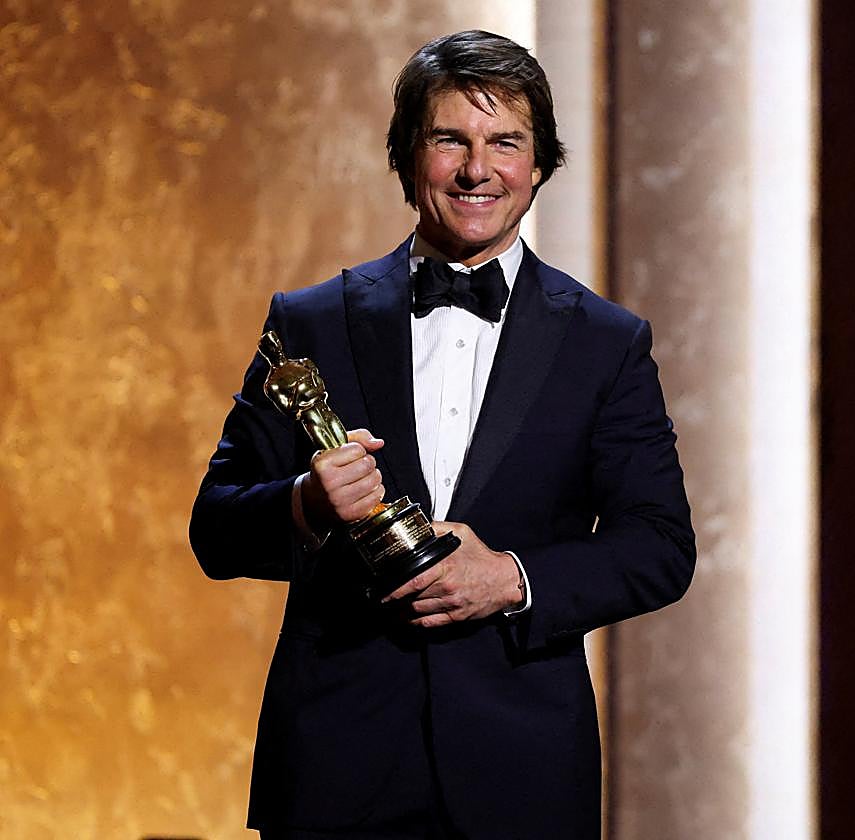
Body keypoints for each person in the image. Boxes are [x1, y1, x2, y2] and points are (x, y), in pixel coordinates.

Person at [190, 30, 695, 840]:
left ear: (538, 165)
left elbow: (662, 547)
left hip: (524, 775)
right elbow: (214, 528)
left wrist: (514, 578)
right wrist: (305, 505)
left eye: (505, 141)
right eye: (449, 139)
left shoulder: (607, 341)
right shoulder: (309, 322)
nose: (476, 168)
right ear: (404, 156)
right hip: (335, 769)